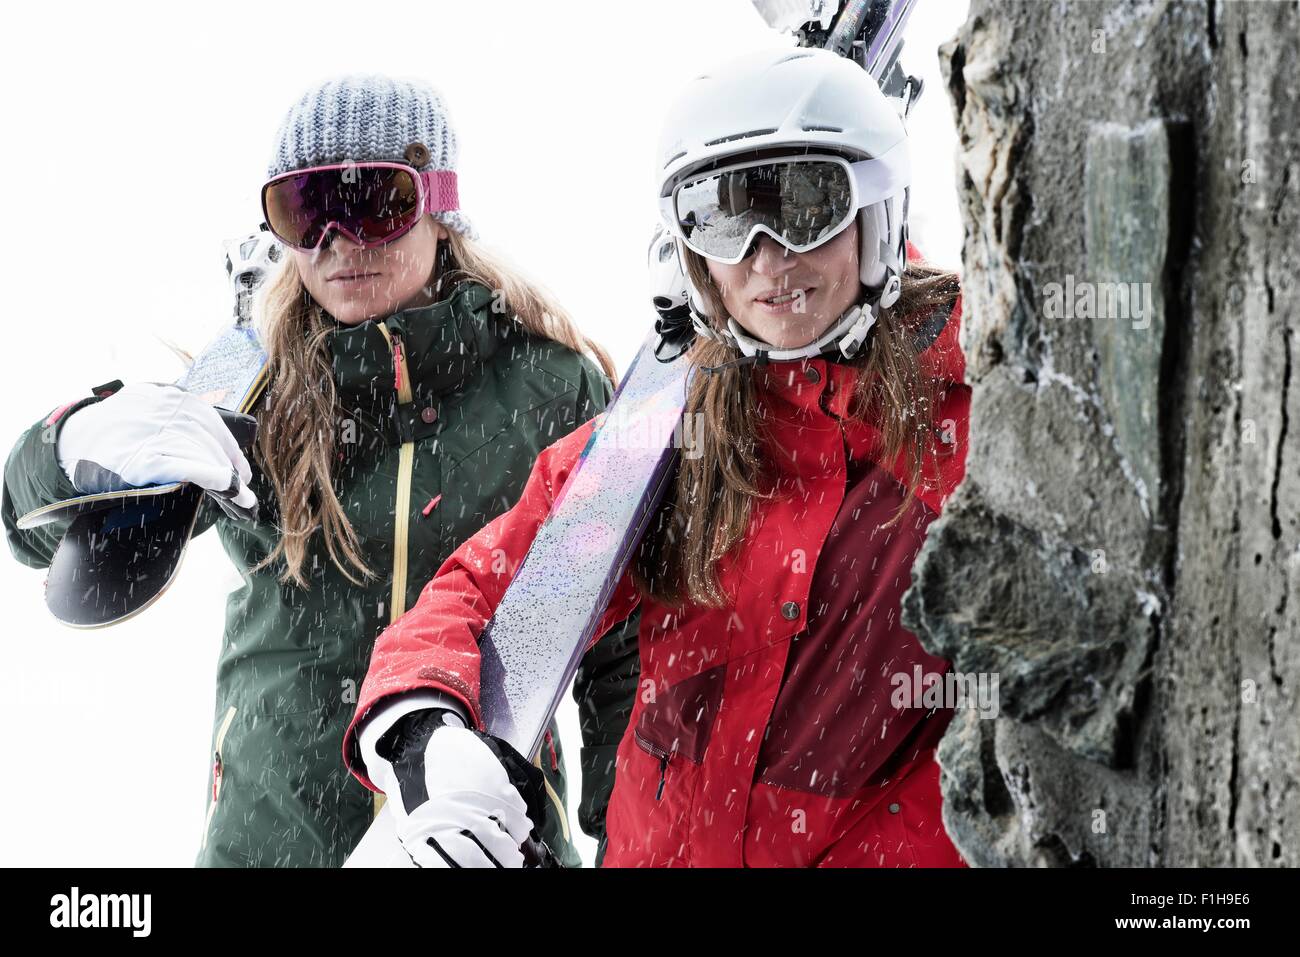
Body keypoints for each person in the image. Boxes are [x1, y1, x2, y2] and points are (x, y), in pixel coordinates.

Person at [342, 46, 971, 868]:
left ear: (879, 211)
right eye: (723, 219)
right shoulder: (669, 431)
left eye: (806, 205)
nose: (767, 258)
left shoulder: (972, 423)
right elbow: (496, 583)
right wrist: (426, 728)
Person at [1, 74, 640, 868]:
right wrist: (68, 449)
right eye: (306, 211)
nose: (339, 242)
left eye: (373, 200)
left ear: (439, 205)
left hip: (480, 841)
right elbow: (38, 538)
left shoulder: (550, 384)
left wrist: (630, 841)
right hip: (273, 838)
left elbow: (621, 648)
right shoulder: (250, 386)